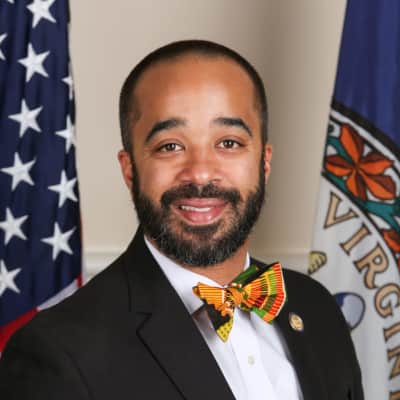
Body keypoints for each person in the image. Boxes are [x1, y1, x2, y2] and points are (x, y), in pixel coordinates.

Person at [0, 40, 363, 400]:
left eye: (229, 143)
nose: (201, 173)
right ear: (130, 169)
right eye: (170, 146)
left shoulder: (315, 307)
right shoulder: (57, 353)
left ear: (264, 162)